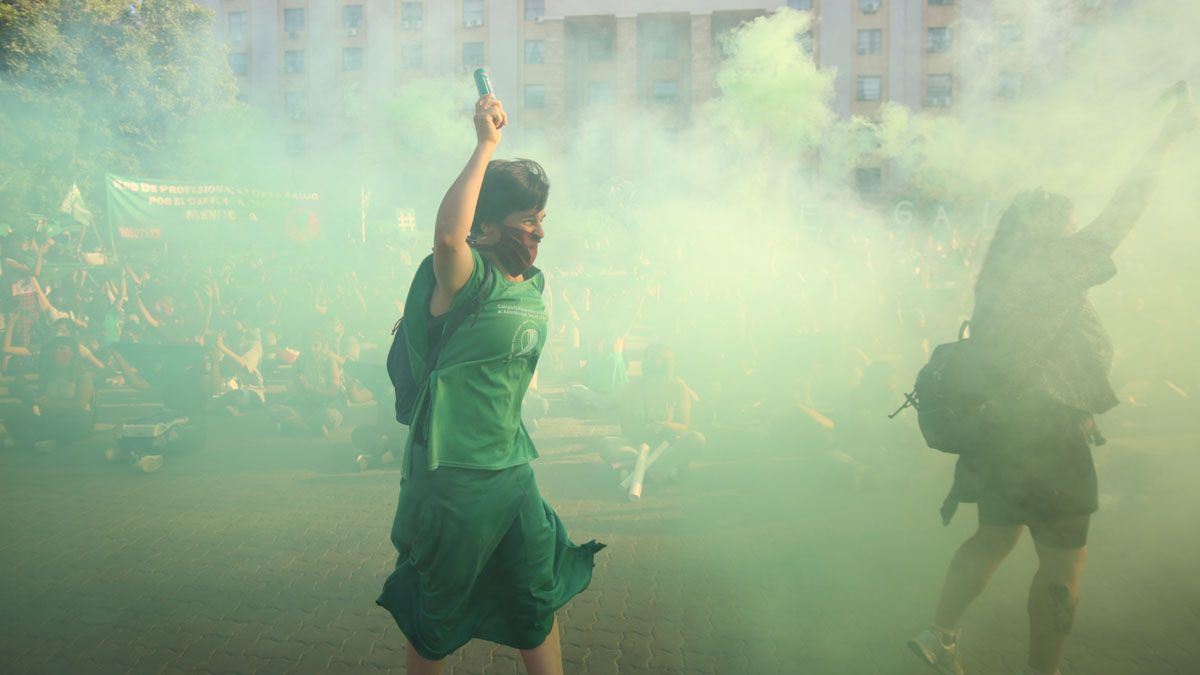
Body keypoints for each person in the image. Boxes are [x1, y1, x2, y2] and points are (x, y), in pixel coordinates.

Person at [908, 91, 1198, 675]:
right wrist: (1166, 140)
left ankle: (939, 635)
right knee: (1064, 567)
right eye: (1066, 222)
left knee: (994, 537)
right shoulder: (1055, 266)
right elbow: (1124, 209)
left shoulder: (999, 276)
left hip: (999, 433)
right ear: (1043, 230)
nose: (1075, 230)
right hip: (1047, 437)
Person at [377, 92, 602, 675]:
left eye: (542, 219)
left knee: (535, 598)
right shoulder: (462, 277)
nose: (538, 232)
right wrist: (485, 145)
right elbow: (449, 239)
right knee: (438, 617)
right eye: (528, 220)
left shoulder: (531, 285)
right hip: (452, 477)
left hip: (512, 470)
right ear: (490, 223)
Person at [600, 343, 706, 486]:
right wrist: (644, 429)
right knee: (607, 444)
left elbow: (683, 426)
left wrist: (665, 426)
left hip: (667, 445)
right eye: (649, 358)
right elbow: (625, 427)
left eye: (657, 359)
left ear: (667, 364)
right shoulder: (633, 387)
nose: (652, 363)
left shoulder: (677, 386)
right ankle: (662, 468)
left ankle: (636, 469)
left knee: (697, 439)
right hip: (636, 446)